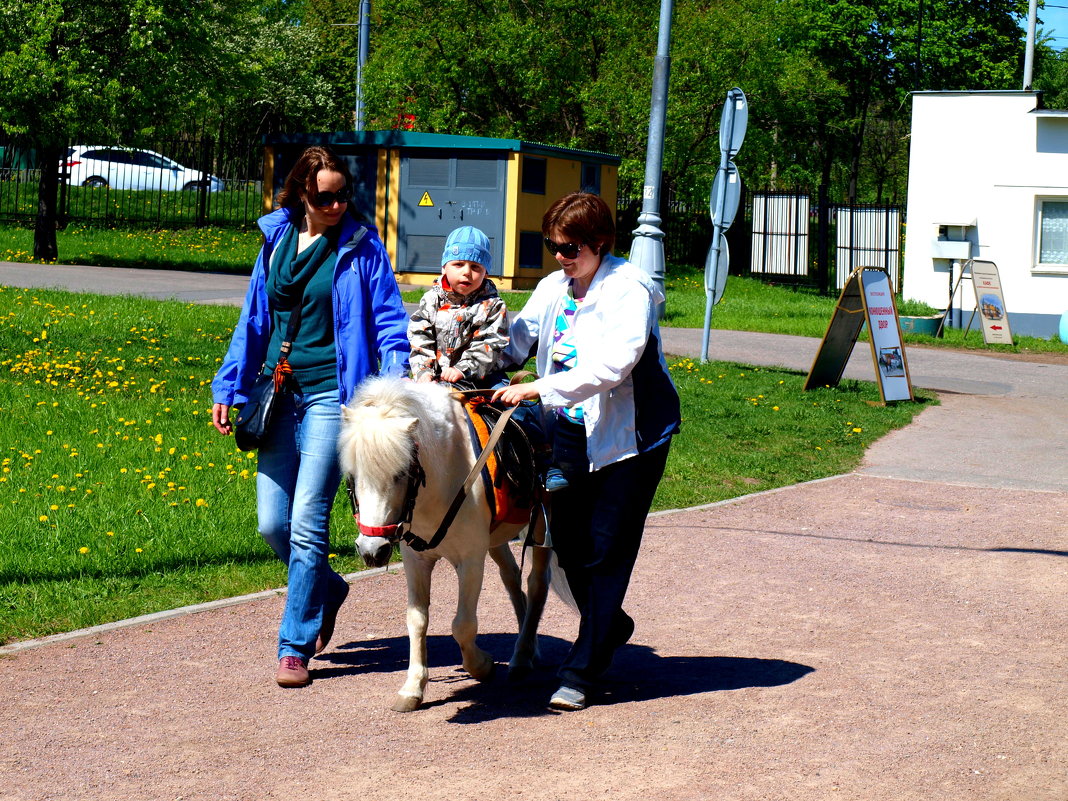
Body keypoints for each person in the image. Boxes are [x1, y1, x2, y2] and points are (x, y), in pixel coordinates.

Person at [211, 146, 409, 688]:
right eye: (326, 197)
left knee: (307, 522)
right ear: (302, 193)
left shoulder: (362, 249)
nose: (338, 204)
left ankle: (294, 645)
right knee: (272, 523)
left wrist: (391, 383)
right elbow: (254, 318)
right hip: (276, 394)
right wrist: (230, 384)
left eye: (345, 194)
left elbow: (390, 323)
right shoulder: (275, 239)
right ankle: (330, 587)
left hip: (330, 396)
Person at [492, 191, 681, 710]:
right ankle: (610, 622)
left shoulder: (630, 290)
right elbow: (517, 340)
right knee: (569, 549)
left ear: (601, 243)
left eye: (571, 247)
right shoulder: (557, 286)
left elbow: (613, 367)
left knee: (605, 549)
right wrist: (470, 346)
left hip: (631, 439)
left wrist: (537, 388)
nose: (560, 256)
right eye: (552, 245)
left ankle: (582, 669)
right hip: (570, 433)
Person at [409, 225, 568, 491]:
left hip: (481, 376)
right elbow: (419, 337)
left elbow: (492, 343)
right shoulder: (430, 300)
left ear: (485, 272)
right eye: (458, 264)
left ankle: (543, 462)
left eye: (476, 267)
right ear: (444, 267)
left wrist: (463, 368)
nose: (467, 273)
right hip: (435, 376)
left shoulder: (493, 306)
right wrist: (425, 371)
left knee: (518, 410)